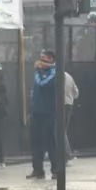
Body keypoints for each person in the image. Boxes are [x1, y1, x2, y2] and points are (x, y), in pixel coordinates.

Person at [28, 50, 58, 180]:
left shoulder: (55, 72)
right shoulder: (38, 73)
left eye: (44, 59)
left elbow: (43, 84)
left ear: (50, 59)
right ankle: (37, 169)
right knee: (36, 142)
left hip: (49, 113)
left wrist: (40, 71)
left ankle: (56, 170)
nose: (40, 61)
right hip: (37, 112)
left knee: (50, 142)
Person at [64, 69, 79, 163]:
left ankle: (67, 155)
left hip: (60, 104)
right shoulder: (69, 76)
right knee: (63, 130)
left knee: (60, 131)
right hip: (69, 104)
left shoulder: (55, 75)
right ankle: (66, 155)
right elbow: (76, 92)